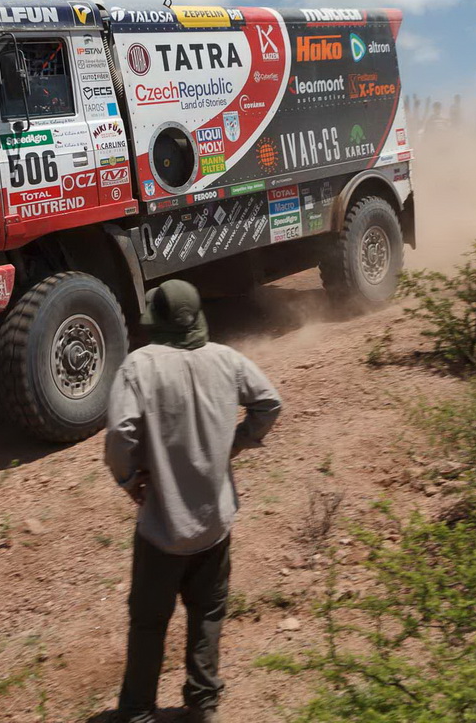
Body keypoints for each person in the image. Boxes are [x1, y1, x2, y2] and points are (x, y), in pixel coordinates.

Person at [105, 280, 282, 723]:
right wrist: (238, 443)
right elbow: (269, 403)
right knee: (208, 614)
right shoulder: (226, 359)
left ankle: (138, 712)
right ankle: (202, 704)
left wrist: (129, 479)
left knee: (149, 621)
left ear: (156, 323)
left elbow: (119, 435)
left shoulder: (139, 367)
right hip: (214, 525)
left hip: (162, 529)